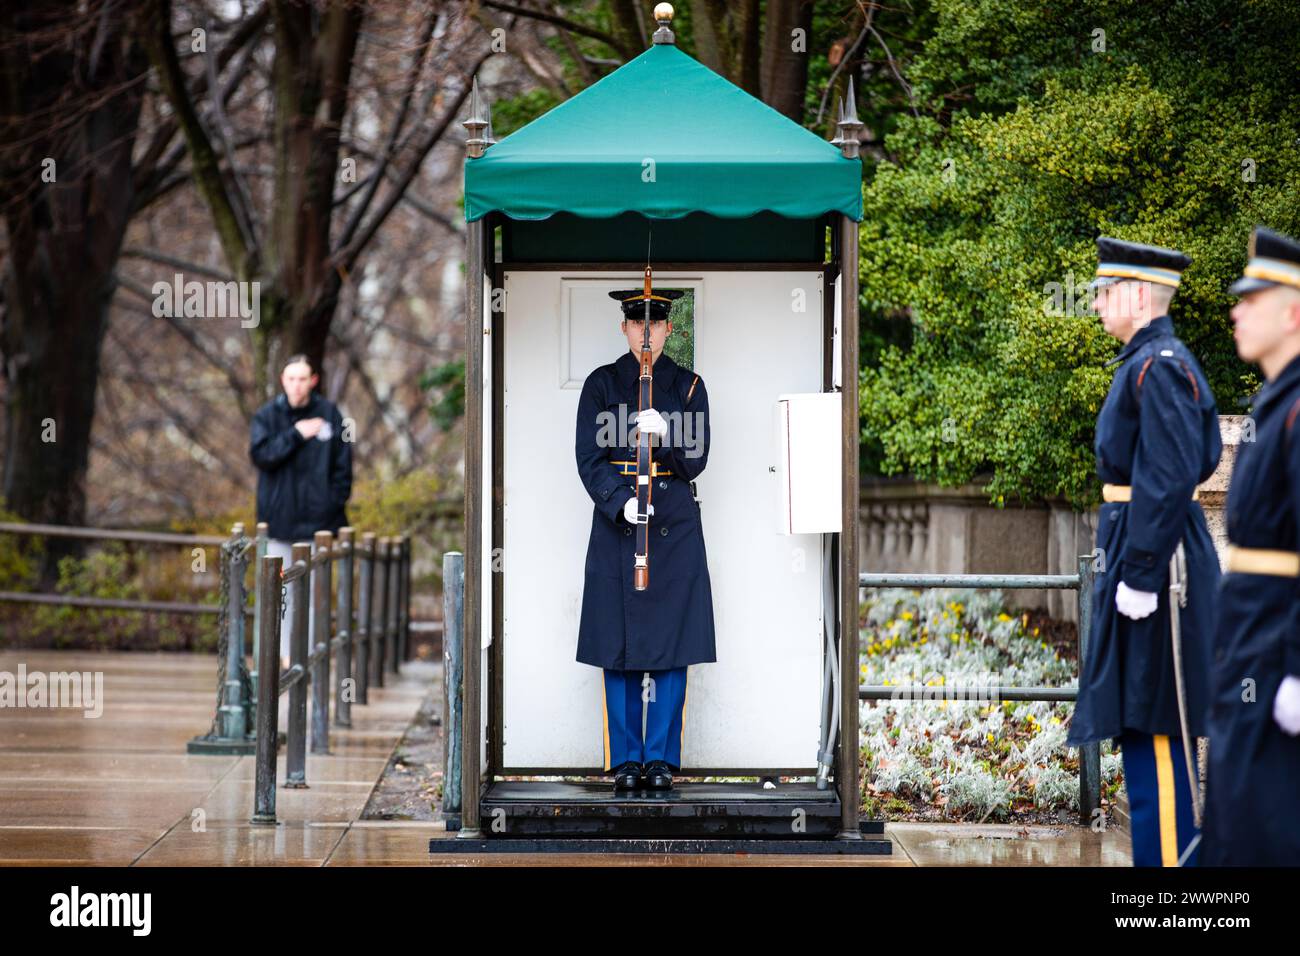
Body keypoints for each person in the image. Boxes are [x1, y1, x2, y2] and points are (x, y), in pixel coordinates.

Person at [1066, 237, 1222, 866]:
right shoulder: (1147, 363)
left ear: (1135, 295)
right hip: (1143, 552)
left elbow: (1172, 470)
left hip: (1158, 568)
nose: (1098, 303)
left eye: (1105, 292)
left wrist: (1141, 572)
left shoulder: (1159, 365)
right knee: (1138, 722)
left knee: (1155, 725)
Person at [573, 286, 716, 792]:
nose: (647, 332)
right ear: (625, 328)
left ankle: (660, 759)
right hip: (619, 526)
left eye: (655, 324)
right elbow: (589, 459)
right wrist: (619, 501)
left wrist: (670, 435)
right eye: (638, 323)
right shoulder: (601, 384)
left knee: (673, 644)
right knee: (618, 643)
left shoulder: (690, 387)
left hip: (673, 526)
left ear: (669, 329)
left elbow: (696, 460)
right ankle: (626, 758)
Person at [1200, 225, 1300, 866]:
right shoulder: (1276, 402)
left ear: (1293, 310)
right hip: (1254, 652)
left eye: (1252, 298)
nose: (1235, 310)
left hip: (1277, 656)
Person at [249, 354, 352, 669]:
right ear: (283, 379)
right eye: (291, 378)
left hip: (317, 526)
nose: (296, 385)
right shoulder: (266, 416)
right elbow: (262, 456)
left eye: (302, 378)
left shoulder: (331, 415)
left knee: (309, 595)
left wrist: (331, 503)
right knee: (277, 592)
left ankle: (303, 657)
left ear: (313, 380)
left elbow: (343, 467)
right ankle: (277, 658)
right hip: (279, 523)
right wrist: (297, 434)